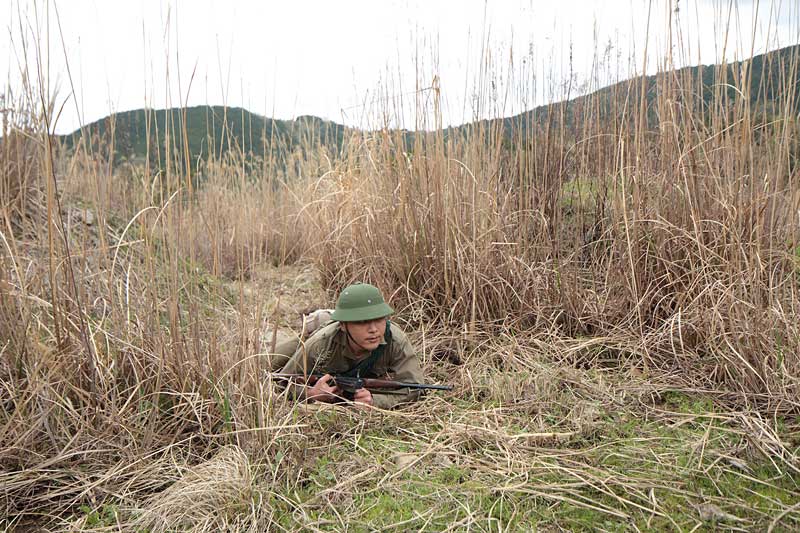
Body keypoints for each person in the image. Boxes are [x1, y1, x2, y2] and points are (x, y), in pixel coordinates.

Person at [275, 282, 424, 408]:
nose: (373, 329)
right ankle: (318, 319)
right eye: (362, 322)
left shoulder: (396, 340)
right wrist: (310, 394)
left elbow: (415, 387)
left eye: (379, 319)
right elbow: (281, 383)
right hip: (315, 332)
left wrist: (375, 401)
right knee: (267, 361)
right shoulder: (320, 344)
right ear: (343, 325)